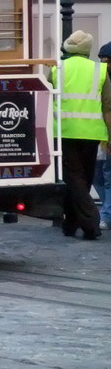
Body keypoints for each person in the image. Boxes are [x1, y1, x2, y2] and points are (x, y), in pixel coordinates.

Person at [51, 30, 111, 240]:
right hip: (92, 133)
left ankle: (90, 223)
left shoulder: (57, 69)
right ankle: (71, 223)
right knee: (83, 179)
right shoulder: (100, 70)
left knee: (74, 179)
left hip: (65, 131)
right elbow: (107, 108)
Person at [96, 41, 111, 230]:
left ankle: (106, 214)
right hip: (99, 135)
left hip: (106, 136)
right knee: (97, 175)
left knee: (107, 176)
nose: (104, 65)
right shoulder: (101, 77)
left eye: (106, 61)